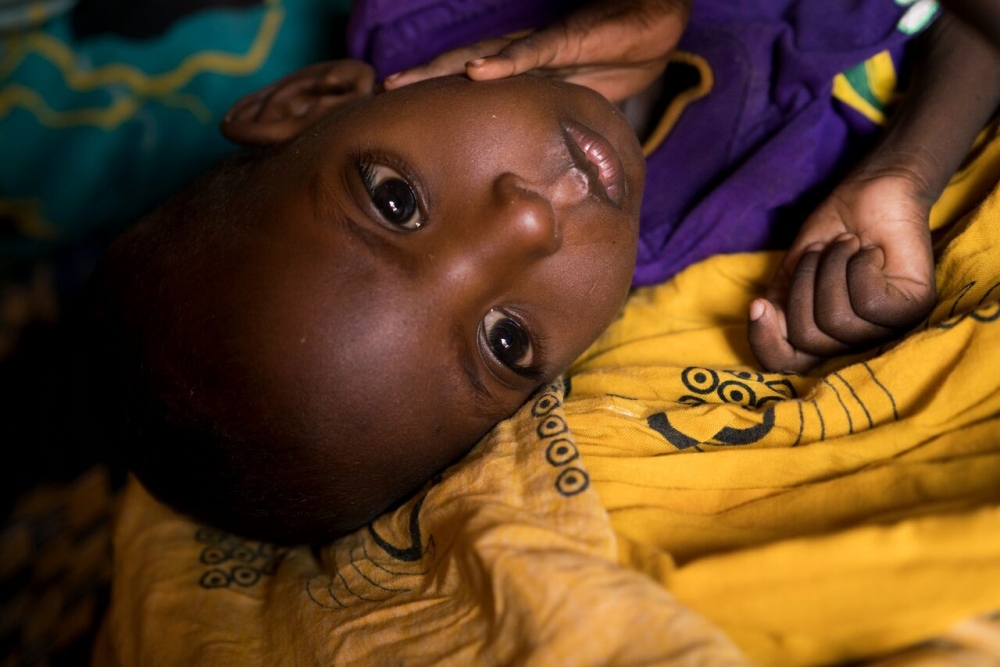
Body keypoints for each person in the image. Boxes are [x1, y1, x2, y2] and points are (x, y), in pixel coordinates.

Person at [85, 0, 1000, 545]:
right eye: (507, 339)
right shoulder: (723, 229)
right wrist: (908, 171)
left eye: (396, 201)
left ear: (313, 102)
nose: (525, 222)